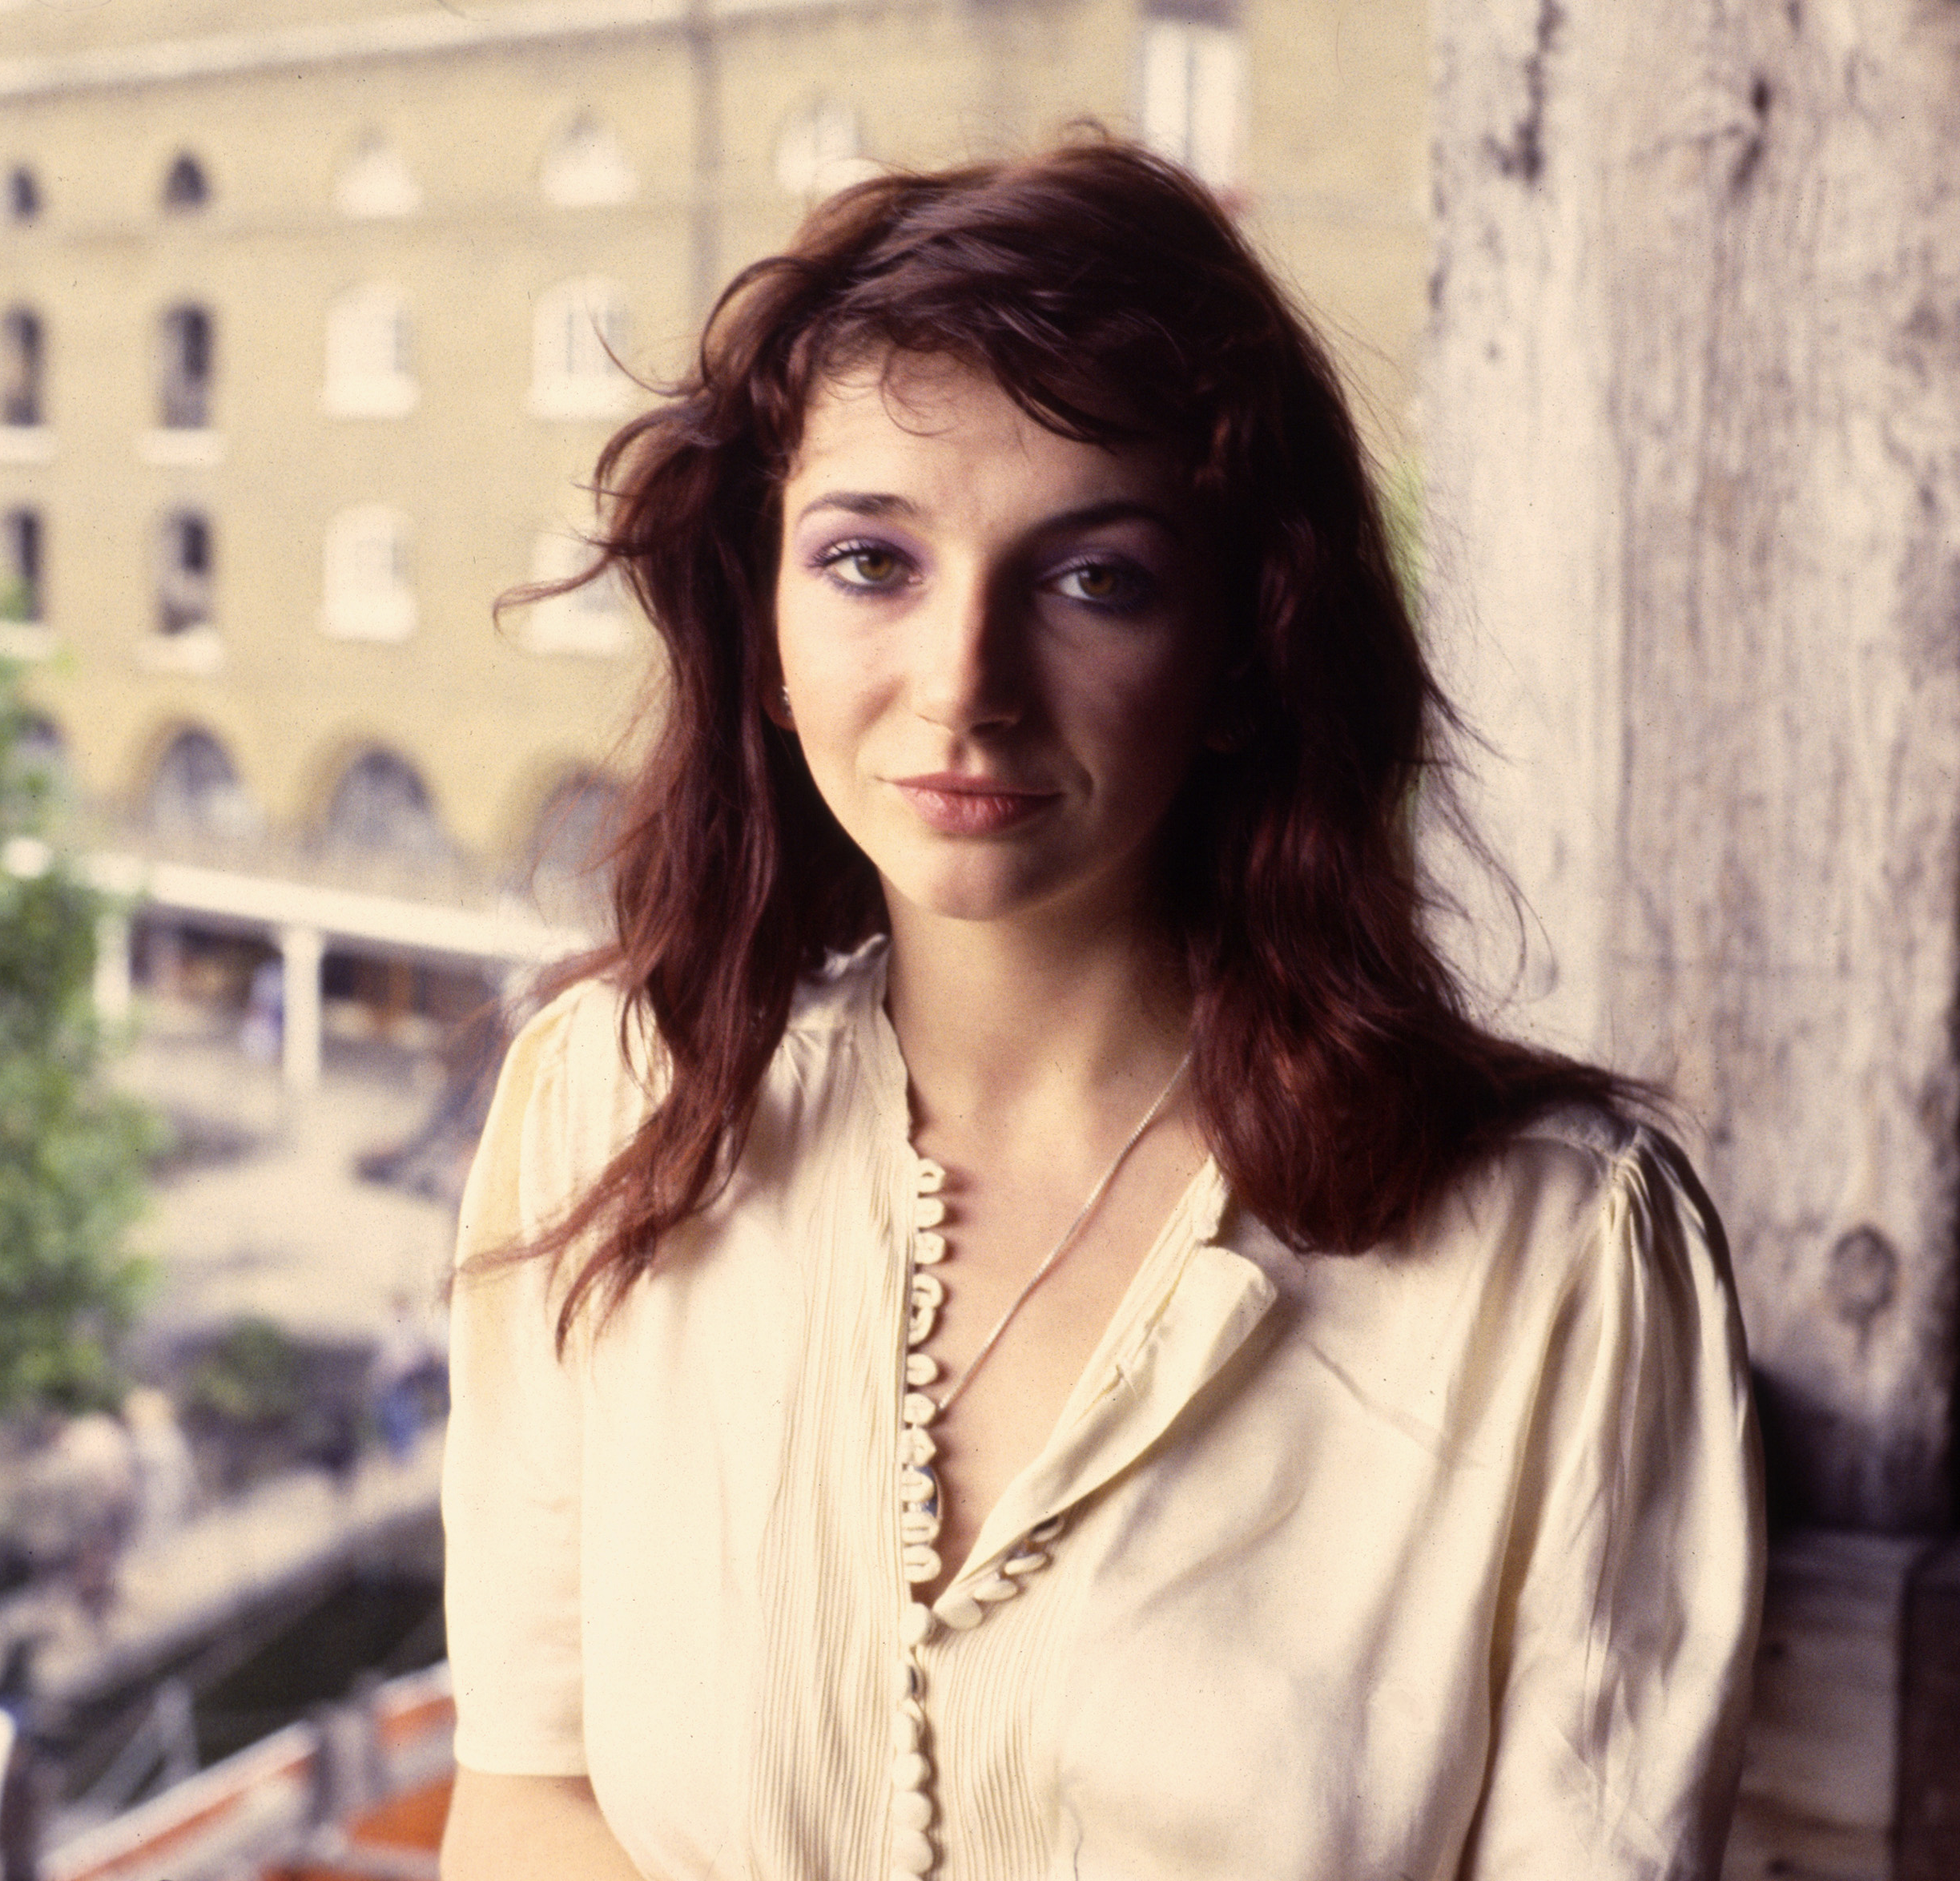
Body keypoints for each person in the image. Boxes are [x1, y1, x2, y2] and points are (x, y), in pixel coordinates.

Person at [440, 139, 1762, 1881]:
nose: (964, 686)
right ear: (765, 635)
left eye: (1095, 579)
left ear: (1243, 655)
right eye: (870, 562)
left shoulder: (1557, 1254)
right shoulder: (609, 1107)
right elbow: (529, 1797)